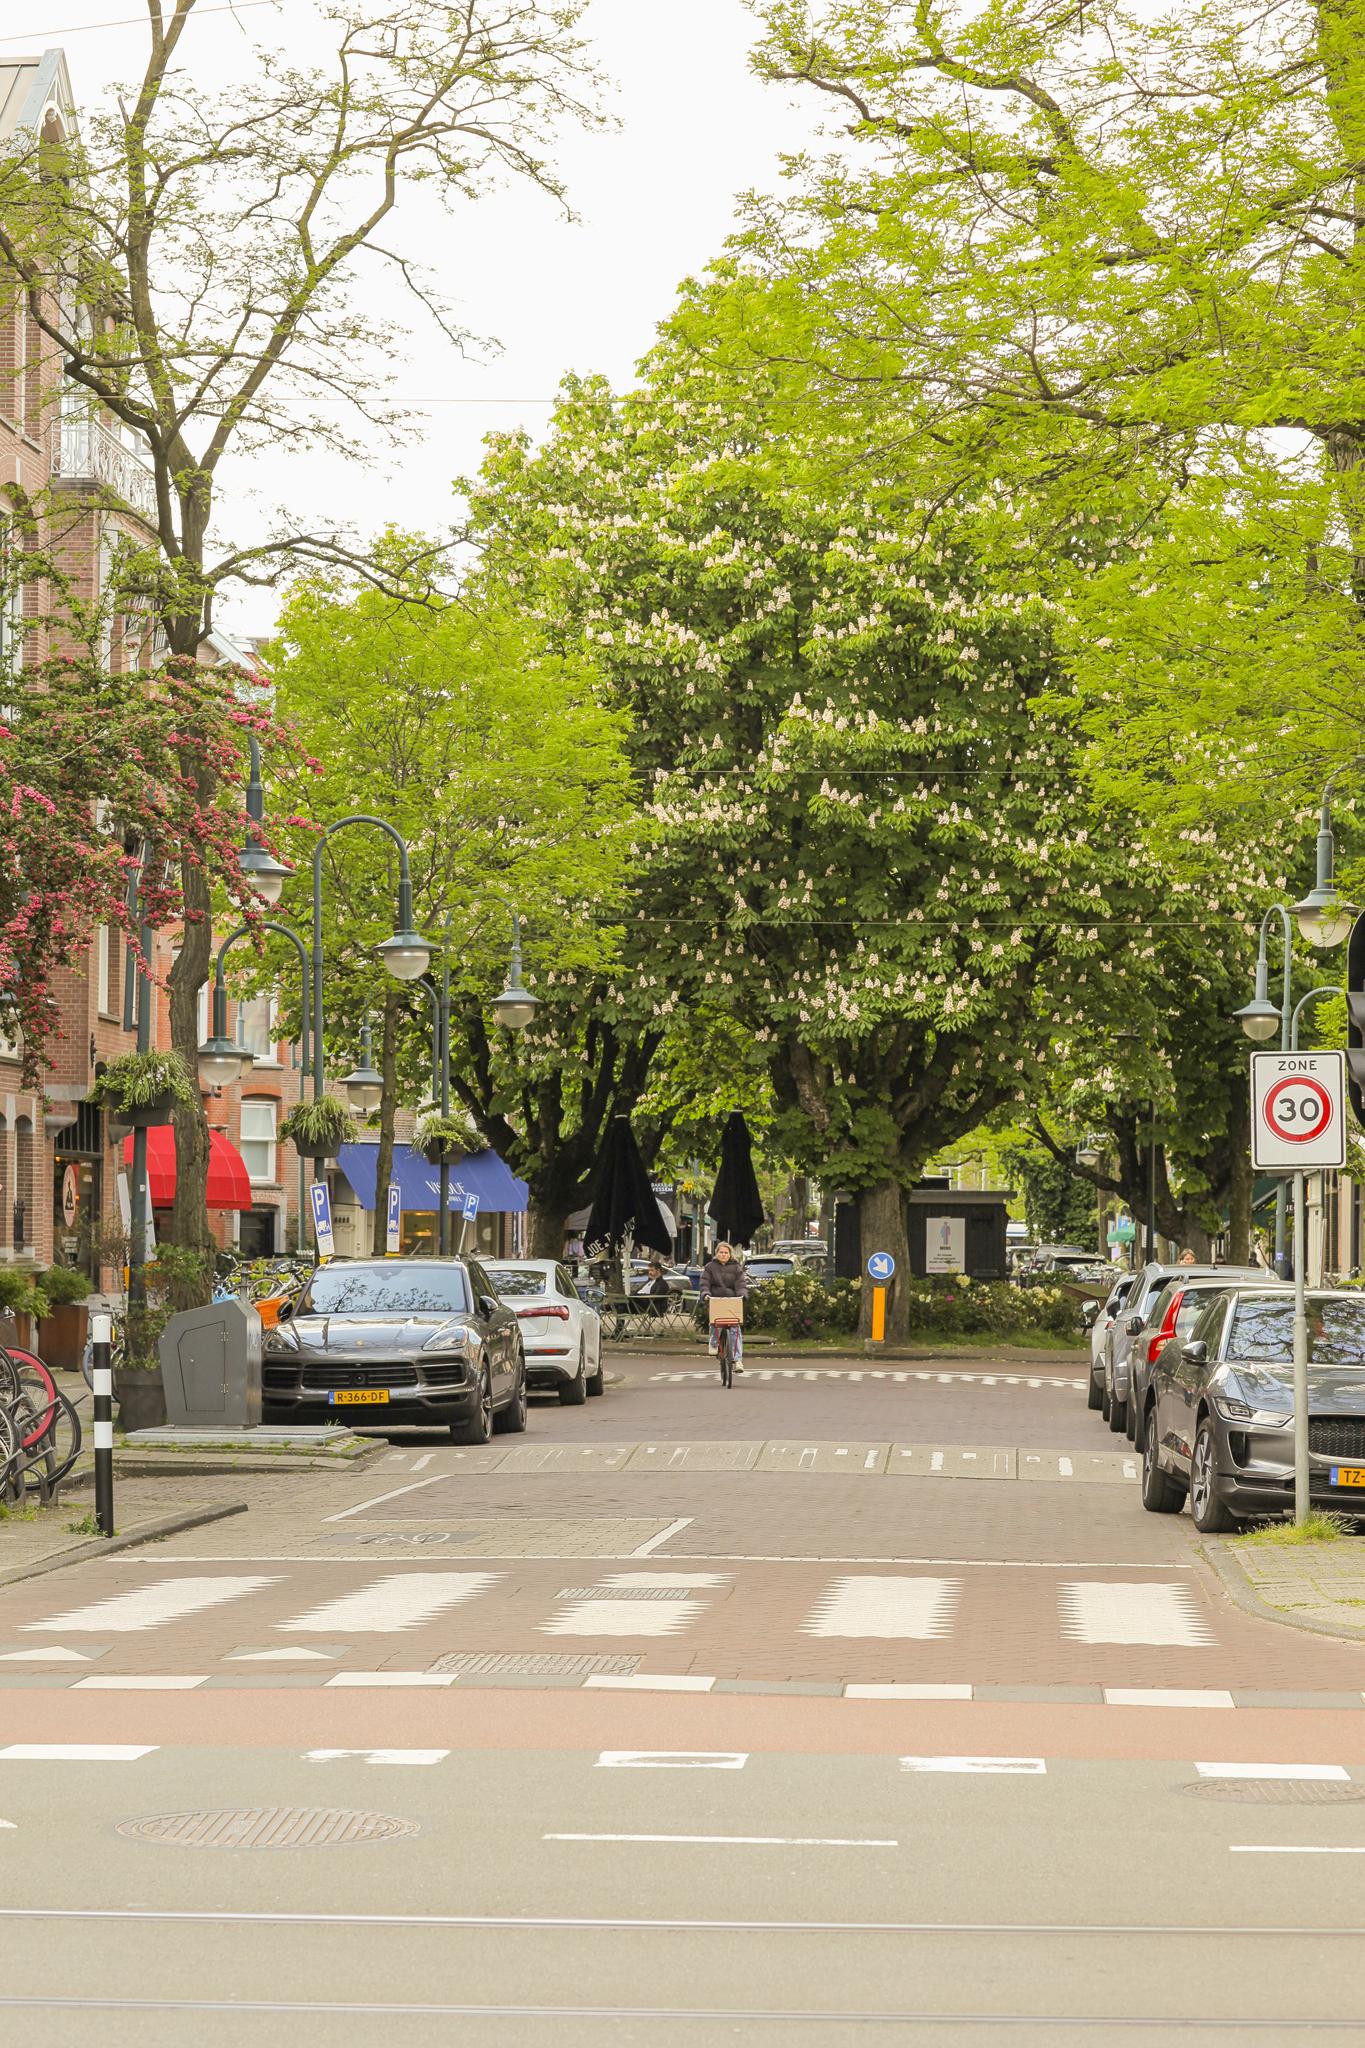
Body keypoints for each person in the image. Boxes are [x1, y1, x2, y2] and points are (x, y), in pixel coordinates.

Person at [700, 1240, 749, 1373]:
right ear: (717, 1253)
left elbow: (741, 1284)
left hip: (732, 1301)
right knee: (715, 1323)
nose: (723, 1255)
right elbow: (705, 1283)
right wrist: (706, 1294)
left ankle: (738, 1360)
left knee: (735, 1328)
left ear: (730, 1254)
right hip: (715, 1300)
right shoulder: (710, 1267)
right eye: (721, 1252)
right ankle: (714, 1343)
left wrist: (742, 1295)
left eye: (726, 1253)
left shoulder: (736, 1268)